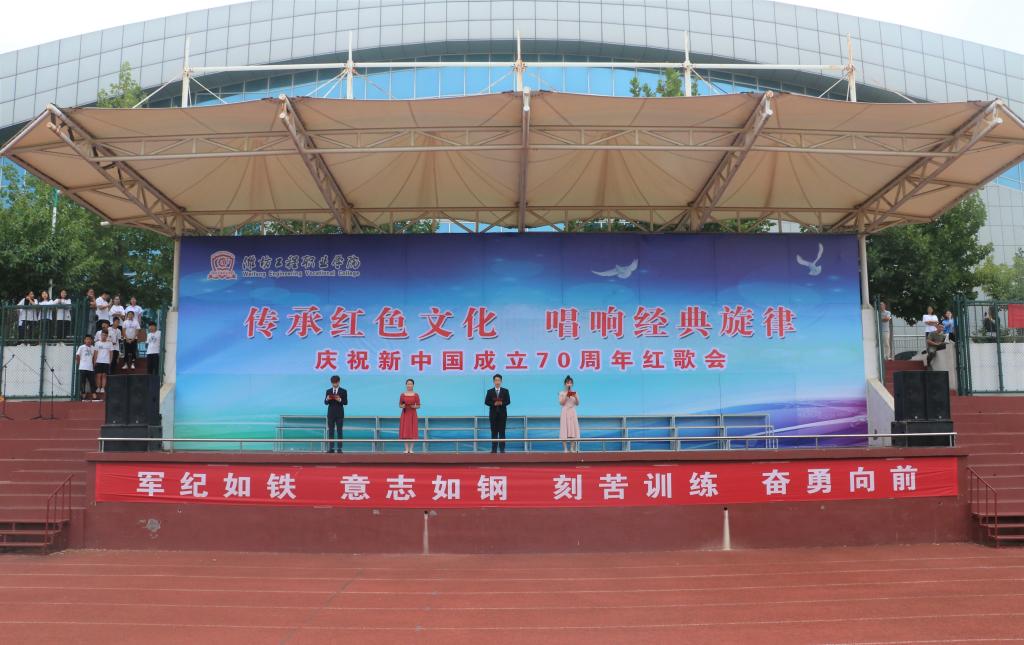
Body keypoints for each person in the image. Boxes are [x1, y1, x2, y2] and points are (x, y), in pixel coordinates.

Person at [484, 374, 510, 453]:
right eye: (496, 380)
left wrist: (501, 403)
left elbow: (508, 401)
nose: (497, 382)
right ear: (493, 381)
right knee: (494, 432)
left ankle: (502, 449)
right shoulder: (490, 391)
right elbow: (486, 402)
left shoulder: (505, 391)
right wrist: (494, 404)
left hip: (502, 415)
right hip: (493, 415)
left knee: (502, 432)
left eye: (499, 380)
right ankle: (494, 450)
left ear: (501, 381)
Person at [324, 375, 347, 454]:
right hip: (331, 414)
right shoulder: (328, 391)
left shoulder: (343, 391)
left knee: (339, 431)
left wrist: (339, 399)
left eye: (336, 383)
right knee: (331, 431)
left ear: (339, 382)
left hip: (339, 414)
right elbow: (325, 403)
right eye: (333, 383)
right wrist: (327, 399)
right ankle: (331, 448)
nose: (334, 384)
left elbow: (346, 402)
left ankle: (339, 448)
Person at [558, 375, 581, 453]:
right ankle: (565, 449)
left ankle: (572, 448)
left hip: (572, 411)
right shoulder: (561, 393)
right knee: (564, 429)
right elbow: (561, 403)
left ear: (572, 384)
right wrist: (566, 395)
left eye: (571, 383)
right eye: (568, 383)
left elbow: (577, 403)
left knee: (573, 429)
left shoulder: (575, 392)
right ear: (565, 384)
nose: (569, 384)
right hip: (565, 411)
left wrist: (576, 396)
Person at [399, 378, 421, 454]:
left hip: (412, 414)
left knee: (412, 430)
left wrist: (414, 406)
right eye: (408, 384)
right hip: (405, 413)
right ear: (406, 385)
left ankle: (411, 449)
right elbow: (400, 405)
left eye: (411, 384)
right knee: (405, 430)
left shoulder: (416, 395)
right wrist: (403, 406)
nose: (409, 385)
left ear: (413, 385)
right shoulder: (402, 395)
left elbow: (418, 405)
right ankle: (406, 449)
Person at [76, 334, 97, 401]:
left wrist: (94, 364)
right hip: (82, 367)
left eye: (90, 339)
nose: (88, 341)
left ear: (92, 341)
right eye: (87, 339)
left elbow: (94, 357)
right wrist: (79, 363)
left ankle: (94, 393)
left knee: (92, 381)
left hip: (90, 367)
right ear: (84, 340)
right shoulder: (81, 347)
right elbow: (77, 356)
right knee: (83, 382)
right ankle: (83, 394)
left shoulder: (93, 348)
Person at [93, 330, 113, 396]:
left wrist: (110, 361)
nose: (104, 336)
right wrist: (94, 361)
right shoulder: (97, 343)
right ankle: (98, 388)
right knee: (98, 375)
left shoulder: (110, 343)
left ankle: (103, 388)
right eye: (103, 335)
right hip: (98, 361)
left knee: (104, 375)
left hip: (106, 361)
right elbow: (95, 353)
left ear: (107, 336)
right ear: (101, 335)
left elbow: (111, 353)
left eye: (105, 335)